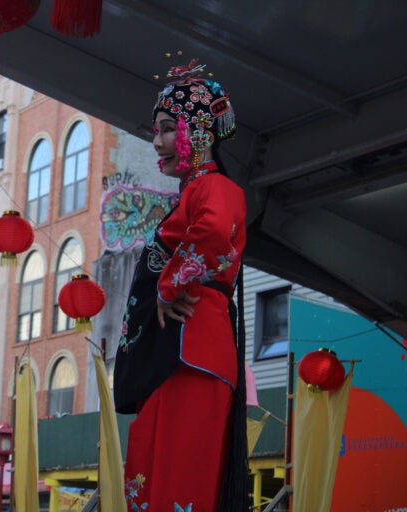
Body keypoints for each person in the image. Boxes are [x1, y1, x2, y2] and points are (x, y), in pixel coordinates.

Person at [113, 59, 249, 512]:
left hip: (193, 348)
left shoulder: (217, 189)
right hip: (172, 352)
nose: (157, 141)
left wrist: (169, 286)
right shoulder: (191, 192)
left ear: (198, 130)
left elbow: (211, 234)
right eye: (157, 130)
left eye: (168, 128)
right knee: (150, 471)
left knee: (178, 478)